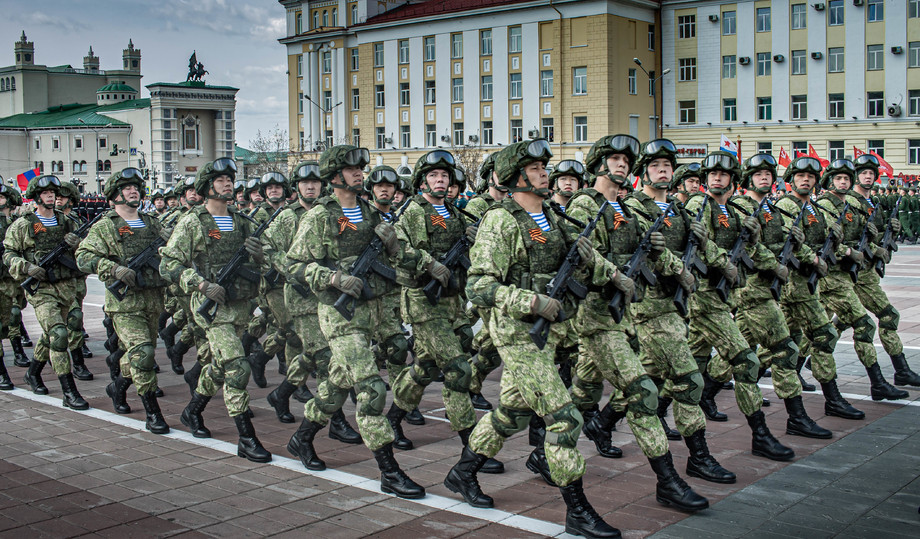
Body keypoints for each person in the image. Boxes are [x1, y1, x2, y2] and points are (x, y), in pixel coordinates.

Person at [443, 139, 620, 538]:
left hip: (551, 334)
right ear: (516, 177)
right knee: (563, 418)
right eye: (537, 168)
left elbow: (584, 260)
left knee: (511, 413)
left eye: (545, 166)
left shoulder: (553, 217)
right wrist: (531, 300)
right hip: (517, 334)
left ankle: (462, 472)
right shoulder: (500, 220)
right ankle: (578, 510)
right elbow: (479, 285)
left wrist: (615, 276)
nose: (546, 173)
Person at [558, 134, 708, 512]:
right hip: (594, 315)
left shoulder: (623, 207)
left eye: (627, 159)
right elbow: (579, 257)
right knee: (642, 391)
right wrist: (613, 275)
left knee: (582, 392)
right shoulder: (583, 204)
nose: (622, 164)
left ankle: (549, 447)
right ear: (599, 164)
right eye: (614, 159)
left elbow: (648, 250)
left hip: (622, 314)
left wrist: (680, 268)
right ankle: (668, 481)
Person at [285, 145, 428, 498]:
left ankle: (302, 437)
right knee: (371, 389)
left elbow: (398, 253)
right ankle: (389, 470)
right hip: (339, 313)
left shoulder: (368, 211)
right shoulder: (319, 216)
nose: (359, 173)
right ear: (334, 176)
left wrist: (410, 255)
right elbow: (294, 266)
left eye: (360, 168)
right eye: (352, 169)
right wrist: (331, 278)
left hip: (374, 309)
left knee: (336, 383)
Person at [387, 149, 502, 474]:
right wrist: (428, 263)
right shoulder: (412, 211)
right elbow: (397, 248)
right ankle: (473, 449)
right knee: (458, 370)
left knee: (424, 368)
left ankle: (393, 419)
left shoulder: (454, 211)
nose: (440, 181)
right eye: (434, 176)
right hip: (424, 303)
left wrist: (473, 240)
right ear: (423, 180)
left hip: (452, 302)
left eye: (445, 177)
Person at [160, 158, 272, 463]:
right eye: (221, 180)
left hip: (240, 306)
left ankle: (192, 410)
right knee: (238, 367)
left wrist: (262, 255)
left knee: (221, 366)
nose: (228, 184)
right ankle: (247, 438)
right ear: (207, 186)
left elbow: (267, 259)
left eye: (230, 180)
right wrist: (200, 284)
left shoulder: (243, 220)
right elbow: (169, 264)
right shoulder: (193, 222)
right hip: (211, 309)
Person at [684, 151, 794, 462]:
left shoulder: (731, 211)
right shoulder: (698, 205)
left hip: (723, 298)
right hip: (703, 297)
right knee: (746, 361)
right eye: (712, 174)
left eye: (723, 174)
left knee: (681, 367)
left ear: (733, 179)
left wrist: (775, 265)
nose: (716, 178)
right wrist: (724, 263)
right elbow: (700, 245)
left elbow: (749, 248)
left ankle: (608, 420)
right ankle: (760, 435)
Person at [263, 161, 362, 446]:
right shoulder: (286, 217)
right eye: (305, 183)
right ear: (296, 187)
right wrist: (294, 272)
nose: (310, 187)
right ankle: (337, 421)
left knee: (312, 355)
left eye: (315, 182)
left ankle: (280, 394)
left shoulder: (332, 212)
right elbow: (270, 249)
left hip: (330, 295)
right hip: (302, 295)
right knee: (325, 358)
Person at [734, 153, 831, 438]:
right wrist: (776, 264)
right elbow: (749, 248)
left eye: (768, 174)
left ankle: (704, 395)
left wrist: (807, 253)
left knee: (735, 351)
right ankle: (794, 418)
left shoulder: (770, 208)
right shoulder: (741, 207)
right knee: (784, 349)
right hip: (751, 288)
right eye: (758, 174)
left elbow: (783, 239)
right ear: (748, 178)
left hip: (767, 288)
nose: (764, 177)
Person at [76, 168, 170, 433]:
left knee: (141, 353)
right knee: (143, 353)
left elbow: (174, 248)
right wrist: (114, 269)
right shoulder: (106, 226)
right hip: (125, 303)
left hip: (153, 299)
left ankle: (117, 387)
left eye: (136, 187)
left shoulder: (152, 223)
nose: (134, 191)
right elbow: (83, 257)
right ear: (116, 195)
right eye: (127, 188)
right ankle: (153, 412)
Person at [774, 156, 864, 420]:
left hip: (806, 286)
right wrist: (811, 257)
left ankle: (831, 399)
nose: (806, 180)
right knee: (815, 337)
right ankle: (830, 400)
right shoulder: (784, 206)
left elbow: (824, 239)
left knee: (789, 343)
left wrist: (836, 242)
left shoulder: (812, 208)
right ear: (791, 179)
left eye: (811, 177)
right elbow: (783, 241)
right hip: (791, 286)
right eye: (801, 176)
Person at [813, 159, 907, 402]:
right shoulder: (827, 205)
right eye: (840, 178)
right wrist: (851, 251)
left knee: (833, 326)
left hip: (851, 272)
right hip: (834, 276)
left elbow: (861, 235)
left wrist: (888, 234)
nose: (845, 182)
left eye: (847, 178)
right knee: (850, 326)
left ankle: (891, 376)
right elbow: (825, 240)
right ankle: (873, 384)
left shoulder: (857, 204)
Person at [3, 175, 88, 409]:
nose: (52, 196)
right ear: (37, 197)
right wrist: (26, 267)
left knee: (51, 333)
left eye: (54, 193)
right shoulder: (23, 224)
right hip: (40, 289)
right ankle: (69, 391)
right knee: (59, 334)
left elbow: (85, 252)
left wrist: (76, 243)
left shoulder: (67, 222)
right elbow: (9, 253)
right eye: (47, 193)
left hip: (65, 286)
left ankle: (33, 372)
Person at [849, 154, 920, 386]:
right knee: (888, 315)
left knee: (831, 325)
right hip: (855, 272)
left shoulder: (872, 203)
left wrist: (889, 233)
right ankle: (900, 371)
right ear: (856, 176)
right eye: (864, 173)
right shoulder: (849, 203)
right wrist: (873, 248)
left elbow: (874, 234)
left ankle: (802, 362)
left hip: (866, 272)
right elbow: (850, 238)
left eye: (871, 173)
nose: (868, 177)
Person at [56, 181, 94, 379]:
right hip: (53, 280)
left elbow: (86, 249)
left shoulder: (76, 221)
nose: (58, 199)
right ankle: (70, 362)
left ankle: (77, 359)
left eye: (62, 196)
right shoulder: (51, 221)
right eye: (56, 196)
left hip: (74, 278)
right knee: (61, 325)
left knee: (75, 318)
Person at [0, 184, 29, 369]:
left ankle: (18, 349)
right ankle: (17, 352)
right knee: (12, 314)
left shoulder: (17, 222)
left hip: (14, 276)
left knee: (15, 313)